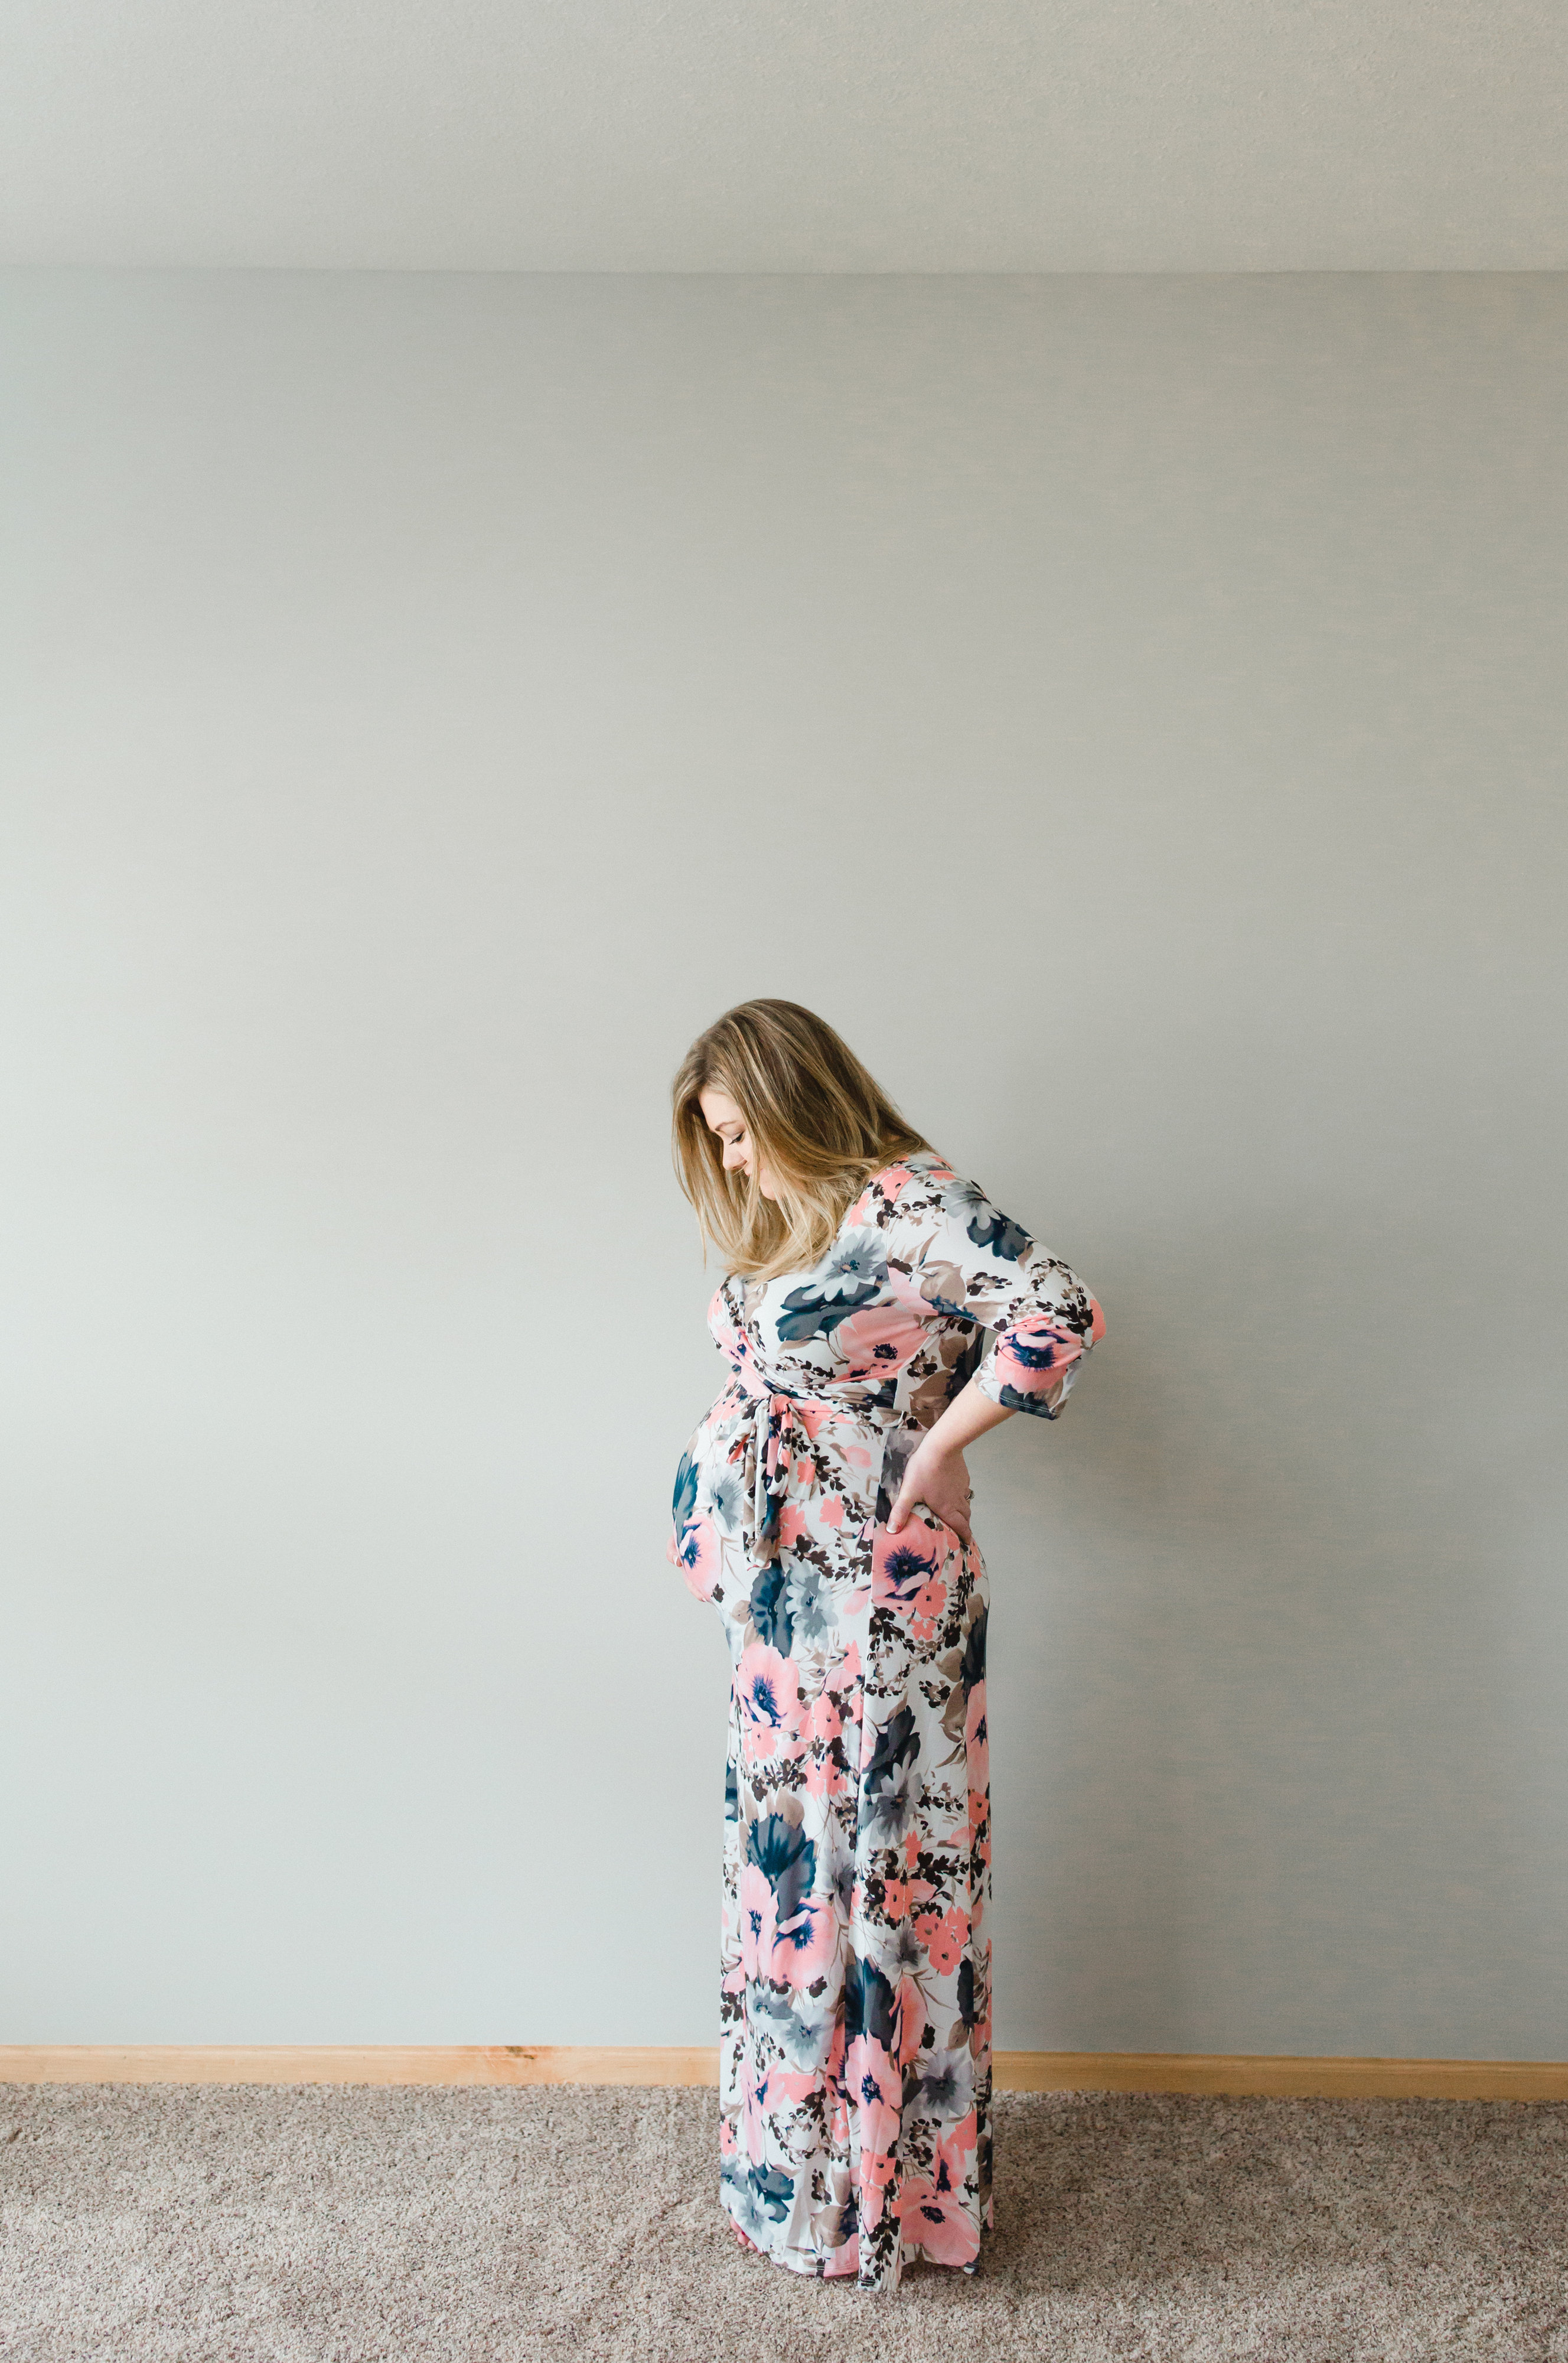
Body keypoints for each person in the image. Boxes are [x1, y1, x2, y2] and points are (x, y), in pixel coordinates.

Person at [668, 998, 1104, 2292]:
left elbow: (1056, 1306)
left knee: (879, 1867)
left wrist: (938, 1445)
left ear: (792, 1100)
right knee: (792, 1869)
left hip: (875, 1594)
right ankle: (796, 2181)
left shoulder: (907, 1199)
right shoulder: (814, 1221)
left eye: (737, 1129)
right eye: (716, 1138)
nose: (731, 1158)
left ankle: (882, 2202)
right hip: (784, 1603)